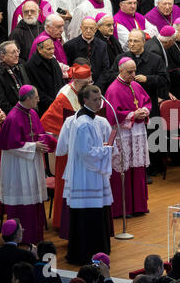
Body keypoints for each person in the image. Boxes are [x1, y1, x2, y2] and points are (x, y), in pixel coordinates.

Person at [59, 84, 114, 265]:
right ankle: (84, 253)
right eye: (95, 100)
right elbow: (86, 153)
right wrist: (106, 151)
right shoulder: (82, 123)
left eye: (100, 99)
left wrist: (104, 148)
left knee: (95, 214)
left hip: (91, 174)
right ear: (85, 101)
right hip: (85, 176)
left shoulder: (94, 120)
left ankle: (98, 251)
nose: (99, 103)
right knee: (87, 216)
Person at [0, 86, 57, 245]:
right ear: (28, 98)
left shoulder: (32, 113)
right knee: (23, 202)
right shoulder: (12, 117)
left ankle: (35, 235)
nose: (38, 100)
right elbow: (10, 146)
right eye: (36, 97)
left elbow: (38, 134)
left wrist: (47, 141)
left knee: (35, 200)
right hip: (18, 167)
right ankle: (22, 237)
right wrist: (33, 147)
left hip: (32, 163)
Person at [41, 62, 92, 236]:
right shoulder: (64, 97)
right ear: (76, 82)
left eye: (90, 83)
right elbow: (47, 122)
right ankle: (64, 221)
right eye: (85, 84)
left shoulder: (86, 93)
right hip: (68, 152)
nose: (89, 87)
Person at [105, 57, 151, 217]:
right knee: (123, 169)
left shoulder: (136, 85)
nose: (133, 75)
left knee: (137, 168)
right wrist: (132, 114)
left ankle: (139, 205)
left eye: (134, 71)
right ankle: (123, 208)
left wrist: (144, 110)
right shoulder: (113, 89)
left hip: (137, 132)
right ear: (120, 70)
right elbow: (112, 115)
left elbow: (147, 101)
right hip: (123, 134)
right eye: (129, 72)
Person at [107, 29, 169, 120]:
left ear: (144, 42)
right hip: (127, 103)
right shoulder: (121, 58)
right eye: (130, 41)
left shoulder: (155, 59)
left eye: (135, 41)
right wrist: (124, 76)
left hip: (149, 103)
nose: (131, 44)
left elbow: (165, 80)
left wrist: (147, 79)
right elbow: (110, 76)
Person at [63, 17, 110, 90]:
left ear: (96, 29)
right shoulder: (70, 45)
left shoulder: (102, 45)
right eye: (85, 28)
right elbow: (68, 68)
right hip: (78, 87)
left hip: (98, 87)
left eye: (91, 28)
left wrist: (97, 86)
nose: (88, 31)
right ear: (81, 28)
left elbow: (105, 69)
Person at [25, 35, 65, 116]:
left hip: (58, 103)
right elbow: (35, 89)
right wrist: (52, 102)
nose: (52, 51)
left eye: (53, 48)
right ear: (39, 49)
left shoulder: (53, 60)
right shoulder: (30, 65)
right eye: (48, 49)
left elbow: (60, 80)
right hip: (44, 107)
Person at [0, 219, 37, 283]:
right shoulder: (26, 255)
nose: (23, 230)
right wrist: (33, 256)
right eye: (21, 229)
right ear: (16, 234)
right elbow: (34, 275)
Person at [0, 41, 31, 114]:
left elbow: (29, 89)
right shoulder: (0, 74)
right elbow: (3, 103)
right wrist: (19, 114)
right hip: (13, 116)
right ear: (2, 57)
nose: (17, 55)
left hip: (28, 110)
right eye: (13, 52)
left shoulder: (20, 67)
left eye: (17, 51)